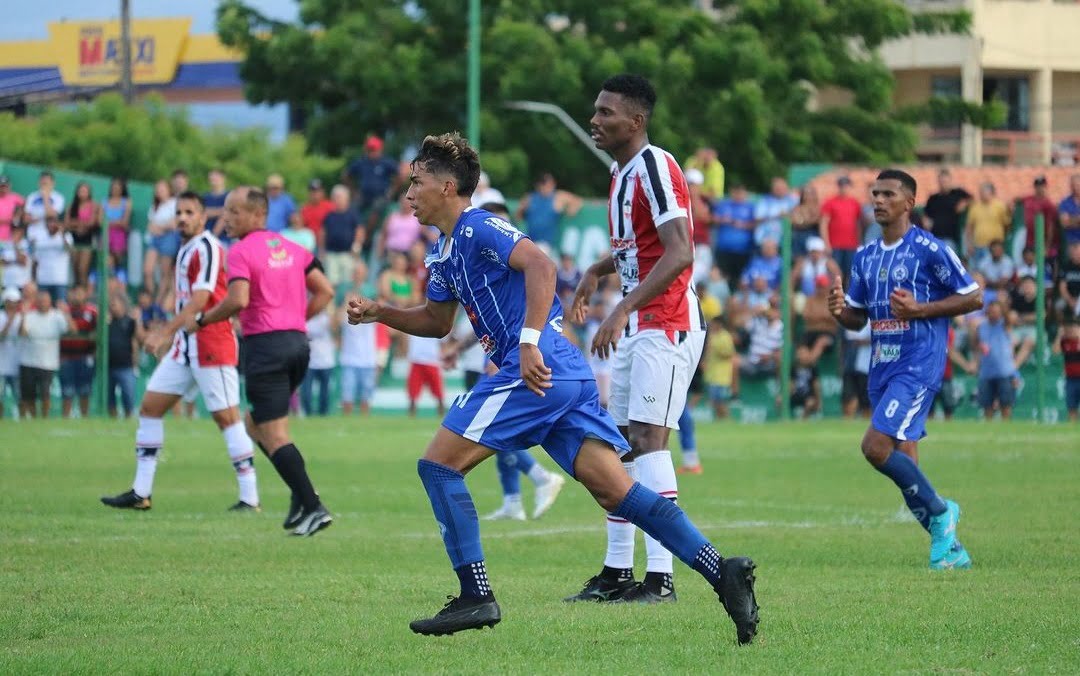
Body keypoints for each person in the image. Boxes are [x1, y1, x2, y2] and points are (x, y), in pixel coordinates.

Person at [346, 130, 757, 642]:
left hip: (537, 369)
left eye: (417, 182)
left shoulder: (479, 228)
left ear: (448, 186)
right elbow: (435, 320)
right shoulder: (446, 252)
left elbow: (539, 264)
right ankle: (724, 572)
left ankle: (476, 596)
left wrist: (527, 341)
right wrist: (380, 312)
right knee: (618, 492)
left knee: (437, 466)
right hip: (561, 375)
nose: (408, 193)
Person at [569, 73, 717, 606]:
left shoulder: (655, 165)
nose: (595, 120)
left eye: (606, 112)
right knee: (623, 446)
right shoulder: (620, 172)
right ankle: (616, 573)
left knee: (650, 442)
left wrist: (621, 307)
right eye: (595, 111)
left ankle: (662, 579)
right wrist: (596, 270)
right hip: (641, 323)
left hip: (668, 322)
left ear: (636, 121)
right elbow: (639, 249)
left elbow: (680, 251)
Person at [829, 168, 982, 570]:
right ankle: (951, 550)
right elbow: (857, 319)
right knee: (905, 461)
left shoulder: (930, 249)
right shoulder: (865, 256)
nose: (878, 200)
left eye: (888, 194)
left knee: (874, 447)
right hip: (883, 366)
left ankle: (942, 510)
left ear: (909, 203)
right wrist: (839, 312)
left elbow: (973, 296)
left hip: (919, 364)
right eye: (875, 193)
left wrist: (922, 309)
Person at [183, 186, 335, 536]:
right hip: (298, 345)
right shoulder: (294, 248)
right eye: (226, 211)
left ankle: (313, 506)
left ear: (258, 215)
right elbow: (326, 291)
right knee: (257, 426)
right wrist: (296, 318)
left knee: (274, 434)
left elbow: (238, 299)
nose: (227, 218)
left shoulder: (239, 251)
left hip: (266, 348)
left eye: (235, 211)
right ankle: (302, 498)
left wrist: (204, 320)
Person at [100, 192, 262, 514]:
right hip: (185, 348)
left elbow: (202, 299)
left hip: (210, 343)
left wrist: (165, 331)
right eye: (179, 213)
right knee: (149, 408)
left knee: (227, 418)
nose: (183, 218)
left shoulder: (207, 247)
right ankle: (141, 492)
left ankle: (250, 497)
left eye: (190, 212)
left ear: (203, 217)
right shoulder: (186, 248)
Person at [18, 289, 72, 418]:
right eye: (40, 301)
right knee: (29, 394)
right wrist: (23, 315)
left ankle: (44, 417)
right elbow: (23, 333)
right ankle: (34, 418)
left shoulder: (57, 316)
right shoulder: (30, 316)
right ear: (36, 302)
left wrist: (66, 313)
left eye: (45, 301)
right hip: (28, 361)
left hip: (48, 363)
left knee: (45, 393)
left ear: (50, 302)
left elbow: (71, 330)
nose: (42, 303)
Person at [339, 260, 378, 416]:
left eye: (360, 272)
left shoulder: (371, 295)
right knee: (347, 396)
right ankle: (348, 422)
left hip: (368, 358)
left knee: (365, 398)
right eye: (356, 272)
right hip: (349, 358)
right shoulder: (346, 295)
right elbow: (336, 322)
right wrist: (345, 302)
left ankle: (364, 424)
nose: (358, 276)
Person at [343, 135, 402, 230]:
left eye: (374, 149)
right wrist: (353, 192)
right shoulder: (362, 162)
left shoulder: (386, 162)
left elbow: (399, 175)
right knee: (351, 209)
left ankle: (366, 238)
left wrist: (392, 191)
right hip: (363, 195)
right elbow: (346, 175)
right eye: (370, 149)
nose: (371, 152)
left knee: (375, 211)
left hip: (381, 195)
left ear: (380, 149)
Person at [971, 300, 1017, 420]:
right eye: (991, 311)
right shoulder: (981, 327)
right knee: (987, 405)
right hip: (986, 372)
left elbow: (1010, 317)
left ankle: (1006, 427)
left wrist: (1003, 303)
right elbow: (975, 344)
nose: (994, 314)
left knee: (1006, 404)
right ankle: (989, 429)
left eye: (997, 311)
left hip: (1004, 371)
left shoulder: (1004, 324)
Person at [515, 172, 583, 250]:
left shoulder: (558, 197)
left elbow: (577, 201)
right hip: (530, 241)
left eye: (549, 183)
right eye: (544, 183)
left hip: (548, 244)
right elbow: (518, 217)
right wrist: (521, 210)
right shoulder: (530, 198)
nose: (547, 186)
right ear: (538, 185)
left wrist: (571, 210)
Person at [58, 285, 97, 418]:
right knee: (67, 391)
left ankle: (84, 417)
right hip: (66, 356)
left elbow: (98, 332)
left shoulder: (92, 311)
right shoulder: (62, 312)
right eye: (74, 293)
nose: (76, 296)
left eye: (79, 293)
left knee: (85, 390)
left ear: (86, 294)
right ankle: (65, 417)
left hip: (85, 356)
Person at [106, 292, 143, 419]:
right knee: (109, 398)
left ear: (123, 305)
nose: (113, 307)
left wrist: (138, 321)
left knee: (128, 397)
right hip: (108, 366)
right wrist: (103, 323)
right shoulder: (107, 322)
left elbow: (140, 339)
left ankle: (128, 419)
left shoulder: (130, 321)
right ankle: (113, 420)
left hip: (126, 365)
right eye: (111, 305)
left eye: (115, 304)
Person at [320, 185, 364, 289]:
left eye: (339, 197)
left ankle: (345, 304)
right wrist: (322, 250)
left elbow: (360, 230)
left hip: (347, 254)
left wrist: (357, 245)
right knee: (331, 281)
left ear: (346, 198)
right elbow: (323, 233)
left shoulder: (353, 214)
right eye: (335, 197)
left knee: (347, 282)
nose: (337, 199)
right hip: (331, 254)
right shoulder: (329, 215)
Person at [711, 183, 756, 283]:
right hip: (724, 250)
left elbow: (755, 224)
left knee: (739, 279)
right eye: (736, 192)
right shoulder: (724, 204)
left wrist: (743, 225)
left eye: (741, 192)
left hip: (743, 251)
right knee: (723, 277)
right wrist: (723, 220)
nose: (738, 195)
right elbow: (713, 219)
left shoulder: (750, 207)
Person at [819, 176, 862, 276]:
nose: (844, 188)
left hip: (851, 244)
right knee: (835, 273)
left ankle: (848, 292)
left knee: (850, 272)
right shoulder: (830, 203)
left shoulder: (855, 203)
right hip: (835, 245)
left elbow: (858, 224)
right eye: (842, 186)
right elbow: (824, 224)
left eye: (846, 186)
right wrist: (826, 243)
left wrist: (859, 242)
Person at [27, 212, 74, 303]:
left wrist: (62, 234)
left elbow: (69, 251)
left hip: (60, 280)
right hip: (43, 280)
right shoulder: (39, 238)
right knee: (42, 306)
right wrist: (33, 279)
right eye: (49, 222)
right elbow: (35, 260)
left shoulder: (67, 236)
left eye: (54, 222)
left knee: (61, 307)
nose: (52, 224)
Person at [921, 168, 970, 253]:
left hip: (950, 238)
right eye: (941, 181)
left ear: (950, 181)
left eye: (945, 181)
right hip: (934, 238)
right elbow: (925, 214)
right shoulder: (933, 198)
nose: (943, 184)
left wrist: (964, 203)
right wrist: (926, 221)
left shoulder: (957, 193)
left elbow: (972, 199)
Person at [144, 179, 178, 301]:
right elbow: (150, 226)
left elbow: (175, 224)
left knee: (165, 272)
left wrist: (160, 228)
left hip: (169, 239)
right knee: (148, 271)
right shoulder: (155, 206)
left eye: (162, 188)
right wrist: (162, 227)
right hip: (154, 239)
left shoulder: (175, 203)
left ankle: (159, 301)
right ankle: (152, 297)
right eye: (157, 189)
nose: (159, 191)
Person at [64, 182, 102, 288]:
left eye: (85, 191)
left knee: (82, 268)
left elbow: (93, 222)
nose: (83, 193)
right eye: (81, 190)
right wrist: (81, 224)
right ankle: (77, 291)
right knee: (75, 268)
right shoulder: (71, 206)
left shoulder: (94, 205)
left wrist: (76, 224)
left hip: (88, 239)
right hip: (74, 239)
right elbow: (67, 223)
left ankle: (83, 292)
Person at [964, 182, 1010, 264]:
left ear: (991, 192)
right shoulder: (975, 207)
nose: (981, 194)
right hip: (978, 246)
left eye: (983, 192)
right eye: (980, 192)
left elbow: (1006, 225)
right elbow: (969, 227)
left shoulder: (1000, 206)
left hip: (994, 247)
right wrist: (969, 244)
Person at [300, 306, 335, 417]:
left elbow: (335, 327)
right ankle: (308, 414)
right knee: (306, 393)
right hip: (309, 361)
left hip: (326, 361)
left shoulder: (326, 318)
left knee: (324, 393)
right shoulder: (305, 318)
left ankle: (323, 414)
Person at [703, 314, 737, 420]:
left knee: (720, 399)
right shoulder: (711, 335)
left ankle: (727, 418)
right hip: (712, 373)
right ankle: (720, 419)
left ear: (719, 324)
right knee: (714, 400)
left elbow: (730, 354)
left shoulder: (725, 336)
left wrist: (718, 350)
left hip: (722, 374)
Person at [0, 287, 23, 418]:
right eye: (10, 301)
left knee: (19, 397)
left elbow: (24, 334)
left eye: (15, 302)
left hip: (17, 364)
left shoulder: (21, 316)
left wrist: (22, 317)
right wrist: (10, 320)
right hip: (1, 366)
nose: (13, 304)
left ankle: (20, 419)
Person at [103, 178, 132, 279]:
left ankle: (118, 283)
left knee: (117, 261)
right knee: (107, 261)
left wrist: (108, 223)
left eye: (118, 187)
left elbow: (124, 222)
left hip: (119, 236)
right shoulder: (105, 202)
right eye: (113, 186)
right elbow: (100, 221)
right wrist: (117, 222)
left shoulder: (127, 202)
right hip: (105, 235)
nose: (115, 189)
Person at [1052, 318, 1080, 422]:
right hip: (1071, 379)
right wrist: (1059, 336)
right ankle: (1072, 427)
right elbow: (1055, 351)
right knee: (1071, 407)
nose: (1071, 330)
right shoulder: (1065, 342)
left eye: (1074, 327)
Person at [203, 169, 230, 243]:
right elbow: (202, 213)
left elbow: (227, 214)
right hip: (204, 236)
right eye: (212, 178)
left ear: (223, 178)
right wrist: (221, 211)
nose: (213, 180)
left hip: (224, 239)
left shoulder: (230, 196)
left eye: (216, 178)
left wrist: (212, 238)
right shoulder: (205, 197)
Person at [0, 175, 25, 244]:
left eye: (5, 186)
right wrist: (10, 219)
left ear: (9, 186)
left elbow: (26, 206)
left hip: (10, 237)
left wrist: (19, 214)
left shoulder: (15, 197)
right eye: (2, 186)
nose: (3, 188)